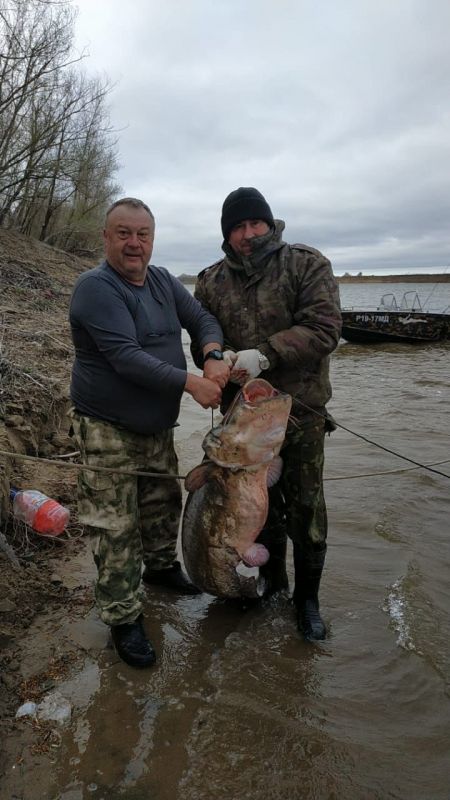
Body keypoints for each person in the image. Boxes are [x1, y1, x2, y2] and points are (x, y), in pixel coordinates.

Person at [69, 197, 230, 668]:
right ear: (106, 237)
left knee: (162, 505)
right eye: (123, 233)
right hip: (106, 428)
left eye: (142, 234)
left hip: (157, 427)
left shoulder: (161, 280)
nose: (134, 243)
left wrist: (213, 352)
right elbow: (127, 358)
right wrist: (192, 383)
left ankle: (160, 571)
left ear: (153, 239)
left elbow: (200, 318)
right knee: (115, 527)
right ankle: (122, 617)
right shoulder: (95, 288)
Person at [192, 187, 342, 641]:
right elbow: (203, 330)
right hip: (242, 428)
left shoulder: (306, 263)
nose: (248, 233)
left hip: (300, 415)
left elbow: (325, 328)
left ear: (269, 223)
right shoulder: (211, 280)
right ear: (227, 234)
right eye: (237, 226)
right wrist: (216, 355)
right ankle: (273, 586)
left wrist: (266, 354)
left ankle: (307, 600)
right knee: (259, 514)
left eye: (255, 223)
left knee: (307, 511)